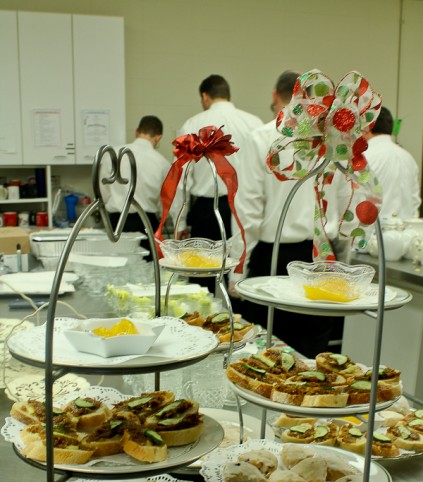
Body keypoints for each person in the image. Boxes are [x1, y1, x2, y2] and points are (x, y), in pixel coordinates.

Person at [229, 70, 350, 358]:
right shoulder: (332, 137)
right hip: (321, 258)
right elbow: (344, 203)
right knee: (313, 357)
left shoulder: (261, 137)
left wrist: (238, 269)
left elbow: (248, 209)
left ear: (276, 95)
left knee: (266, 356)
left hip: (273, 260)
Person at [172, 74, 263, 291]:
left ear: (205, 96)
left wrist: (179, 222)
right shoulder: (255, 123)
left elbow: (181, 179)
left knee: (203, 283)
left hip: (207, 212)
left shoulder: (192, 124)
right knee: (242, 281)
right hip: (245, 209)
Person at [101, 115, 172, 257]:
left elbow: (103, 191)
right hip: (145, 222)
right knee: (146, 273)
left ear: (137, 131)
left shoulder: (111, 155)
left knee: (115, 267)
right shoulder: (163, 163)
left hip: (116, 221)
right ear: (158, 137)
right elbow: (168, 200)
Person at [363, 106, 421, 221]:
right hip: (408, 234)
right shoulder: (408, 158)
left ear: (367, 127)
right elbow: (414, 203)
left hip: (375, 235)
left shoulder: (364, 158)